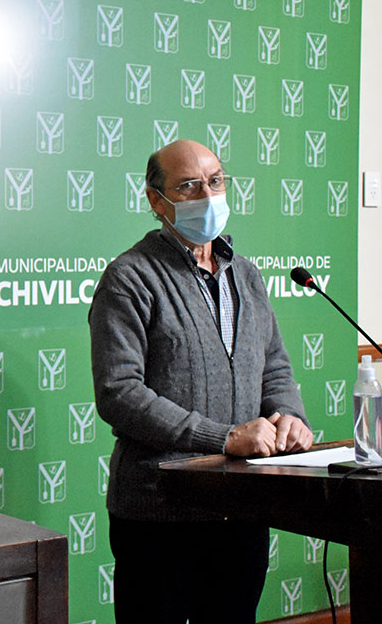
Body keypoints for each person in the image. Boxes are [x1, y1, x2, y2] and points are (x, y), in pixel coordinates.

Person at [89, 139, 313, 623]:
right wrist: (224, 438)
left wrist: (290, 416)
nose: (207, 195)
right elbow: (119, 393)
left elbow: (273, 365)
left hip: (242, 507)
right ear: (156, 201)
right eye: (189, 186)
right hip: (158, 511)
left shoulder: (246, 275)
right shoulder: (130, 277)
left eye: (215, 181)